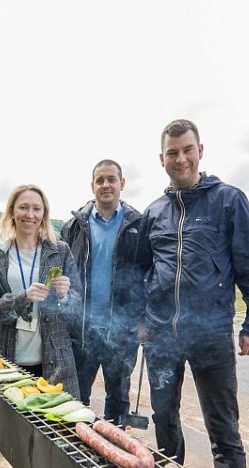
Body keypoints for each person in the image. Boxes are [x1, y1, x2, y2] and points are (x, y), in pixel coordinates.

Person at [134, 119, 249, 468]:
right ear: (161, 159)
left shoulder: (229, 200)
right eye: (173, 153)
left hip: (211, 335)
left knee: (223, 428)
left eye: (187, 150)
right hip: (162, 337)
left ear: (200, 150)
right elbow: (142, 270)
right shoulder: (153, 212)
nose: (181, 159)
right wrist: (142, 318)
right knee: (164, 419)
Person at [0, 184, 80, 468]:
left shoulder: (60, 251)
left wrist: (67, 295)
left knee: (56, 434)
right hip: (11, 359)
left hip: (54, 358)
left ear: (45, 214)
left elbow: (76, 304)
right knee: (22, 434)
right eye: (23, 208)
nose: (30, 215)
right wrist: (21, 298)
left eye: (37, 209)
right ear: (12, 212)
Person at [60, 160, 142, 425]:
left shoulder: (139, 225)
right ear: (92, 185)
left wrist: (143, 319)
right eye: (100, 180)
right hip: (82, 330)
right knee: (74, 398)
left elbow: (148, 276)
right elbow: (60, 272)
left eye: (111, 179)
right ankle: (76, 452)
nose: (106, 185)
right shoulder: (73, 227)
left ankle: (114, 451)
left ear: (122, 183)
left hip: (121, 333)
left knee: (118, 401)